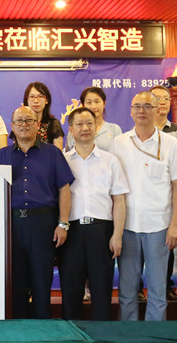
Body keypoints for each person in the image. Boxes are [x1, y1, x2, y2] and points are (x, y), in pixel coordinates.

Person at [109, 91, 177, 321]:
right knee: (127, 291)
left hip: (159, 227)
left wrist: (175, 224)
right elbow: (113, 188)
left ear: (157, 110)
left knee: (157, 291)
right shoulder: (119, 143)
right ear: (131, 111)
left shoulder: (171, 144)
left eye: (147, 106)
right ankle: (129, 332)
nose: (142, 111)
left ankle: (154, 334)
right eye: (137, 106)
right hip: (127, 227)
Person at [0, 106, 72, 319]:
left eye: (29, 120)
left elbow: (64, 189)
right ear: (12, 126)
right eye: (19, 121)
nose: (24, 125)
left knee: (41, 281)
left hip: (43, 224)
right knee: (15, 282)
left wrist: (63, 223)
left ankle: (42, 327)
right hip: (12, 225)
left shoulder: (53, 153)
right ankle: (18, 328)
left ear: (38, 125)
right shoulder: (2, 155)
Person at [59, 107, 128, 321]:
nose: (85, 128)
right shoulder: (62, 160)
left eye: (89, 123)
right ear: (71, 130)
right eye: (79, 124)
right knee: (71, 292)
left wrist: (117, 235)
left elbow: (119, 200)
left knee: (102, 290)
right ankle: (71, 333)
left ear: (96, 127)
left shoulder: (110, 160)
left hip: (102, 231)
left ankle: (102, 334)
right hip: (72, 232)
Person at [150, 84, 177, 301]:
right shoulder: (139, 131)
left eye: (165, 98)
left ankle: (166, 286)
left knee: (168, 244)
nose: (162, 102)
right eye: (157, 98)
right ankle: (139, 288)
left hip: (170, 196)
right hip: (147, 198)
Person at [67, 87, 122, 152]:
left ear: (104, 104)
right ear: (83, 105)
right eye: (89, 102)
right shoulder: (75, 130)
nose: (93, 106)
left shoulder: (114, 129)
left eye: (97, 102)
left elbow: (119, 154)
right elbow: (68, 154)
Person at [18, 81, 64, 149]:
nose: (36, 101)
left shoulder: (53, 124)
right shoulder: (19, 123)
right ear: (26, 100)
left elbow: (58, 153)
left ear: (46, 100)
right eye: (32, 97)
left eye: (40, 96)